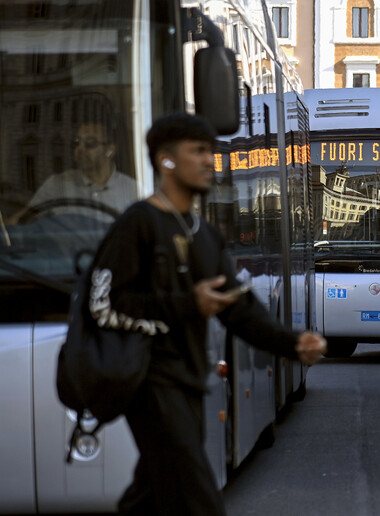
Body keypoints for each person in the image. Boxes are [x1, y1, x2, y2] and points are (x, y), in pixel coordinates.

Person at [85, 112, 326, 516]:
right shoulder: (136, 225)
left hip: (188, 381)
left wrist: (292, 342)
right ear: (165, 160)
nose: (209, 161)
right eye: (196, 151)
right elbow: (103, 306)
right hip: (149, 382)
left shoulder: (204, 234)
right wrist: (186, 305)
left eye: (210, 152)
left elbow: (238, 308)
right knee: (197, 495)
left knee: (149, 494)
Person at [12, 116, 136, 224]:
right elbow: (21, 220)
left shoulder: (132, 190)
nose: (80, 149)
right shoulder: (57, 185)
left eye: (90, 143)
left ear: (110, 150)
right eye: (76, 142)